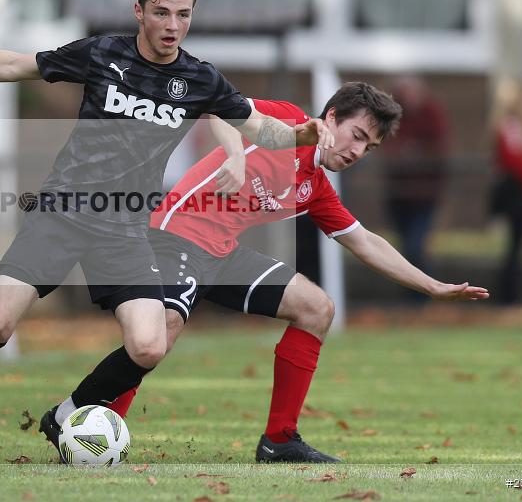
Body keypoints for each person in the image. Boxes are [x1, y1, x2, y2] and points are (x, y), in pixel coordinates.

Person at [0, 0, 334, 462]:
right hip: (61, 214)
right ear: (139, 11)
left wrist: (299, 134)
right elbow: (13, 64)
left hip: (123, 230)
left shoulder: (200, 78)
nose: (172, 25)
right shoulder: (103, 54)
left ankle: (65, 414)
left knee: (149, 346)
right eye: (161, 13)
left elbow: (257, 127)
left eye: (183, 15)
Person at [38, 82, 489, 464]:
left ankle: (279, 440)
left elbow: (365, 242)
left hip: (223, 254)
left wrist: (432, 286)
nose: (357, 151)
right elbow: (221, 108)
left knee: (316, 307)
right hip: (174, 234)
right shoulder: (288, 121)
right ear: (331, 118)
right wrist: (235, 155)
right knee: (161, 331)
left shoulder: (315, 188)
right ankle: (75, 416)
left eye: (368, 147)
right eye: (356, 135)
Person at [380, 76, 450, 294]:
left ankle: (423, 295)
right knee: (403, 248)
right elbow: (385, 146)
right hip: (399, 194)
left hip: (425, 195)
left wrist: (417, 153)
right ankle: (414, 295)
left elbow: (440, 149)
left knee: (416, 246)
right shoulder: (392, 117)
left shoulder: (432, 114)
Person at [488, 80, 522, 305]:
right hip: (514, 193)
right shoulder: (511, 128)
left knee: (517, 245)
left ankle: (510, 293)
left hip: (520, 191)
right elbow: (517, 163)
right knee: (514, 246)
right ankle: (508, 295)